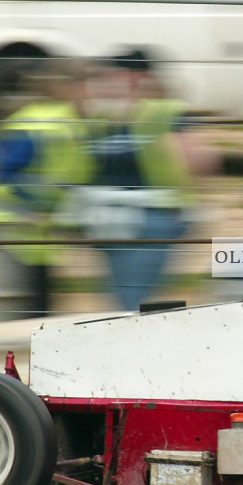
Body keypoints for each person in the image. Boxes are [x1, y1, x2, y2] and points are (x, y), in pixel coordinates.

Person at [82, 48, 218, 310]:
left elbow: (201, 161)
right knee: (127, 298)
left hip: (150, 216)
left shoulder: (163, 112)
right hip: (111, 218)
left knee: (131, 300)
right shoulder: (103, 116)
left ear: (134, 77)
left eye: (110, 76)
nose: (102, 83)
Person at [0, 58, 97, 315]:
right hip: (9, 229)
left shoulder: (66, 122)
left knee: (32, 308)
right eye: (88, 86)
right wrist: (37, 205)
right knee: (14, 312)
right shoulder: (44, 123)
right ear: (70, 88)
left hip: (32, 233)